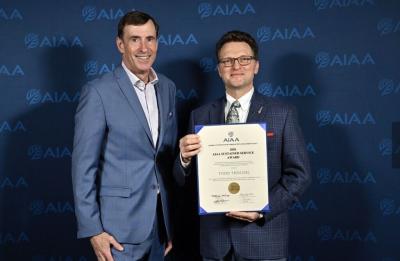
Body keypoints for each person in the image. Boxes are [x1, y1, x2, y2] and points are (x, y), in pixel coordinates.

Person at [176, 31, 311, 261]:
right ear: (219, 69)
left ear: (256, 66)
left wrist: (261, 209)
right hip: (215, 245)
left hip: (264, 242)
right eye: (227, 61)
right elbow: (184, 183)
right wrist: (184, 160)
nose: (236, 66)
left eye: (244, 59)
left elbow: (299, 175)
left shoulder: (282, 114)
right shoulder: (199, 116)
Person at [72, 11, 178, 261]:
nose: (144, 48)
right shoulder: (98, 92)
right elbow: (83, 167)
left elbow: (164, 157)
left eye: (150, 39)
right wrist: (93, 230)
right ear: (120, 44)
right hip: (116, 232)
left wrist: (168, 223)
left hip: (160, 228)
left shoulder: (168, 87)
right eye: (135, 39)